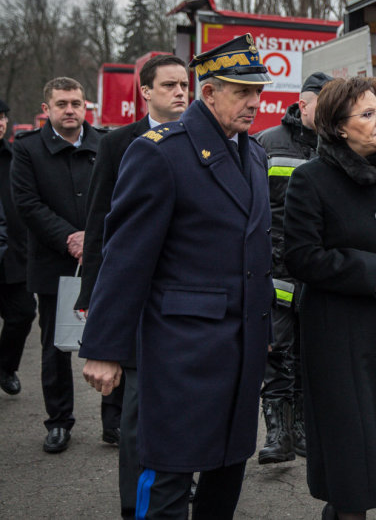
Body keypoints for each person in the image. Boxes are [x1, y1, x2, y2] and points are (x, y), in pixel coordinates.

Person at [78, 33, 274, 518]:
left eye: (258, 91)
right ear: (209, 93)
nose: (255, 102)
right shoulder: (160, 153)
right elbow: (126, 259)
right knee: (167, 474)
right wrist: (105, 349)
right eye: (241, 91)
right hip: (181, 353)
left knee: (227, 469)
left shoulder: (252, 154)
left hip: (240, 347)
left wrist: (265, 326)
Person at [283, 76, 376, 520]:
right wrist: (373, 270)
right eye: (367, 114)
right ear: (339, 127)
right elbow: (301, 257)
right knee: (350, 451)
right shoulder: (310, 179)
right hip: (337, 336)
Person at [75, 54, 189, 519]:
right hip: (137, 301)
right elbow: (102, 226)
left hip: (184, 303)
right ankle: (134, 504)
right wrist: (91, 297)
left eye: (185, 84)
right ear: (145, 92)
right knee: (138, 414)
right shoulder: (119, 143)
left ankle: (178, 487)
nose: (180, 93)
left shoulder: (204, 141)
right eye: (169, 85)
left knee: (184, 408)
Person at [9, 78, 104, 453]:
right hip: (53, 262)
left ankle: (113, 421)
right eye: (62, 103)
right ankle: (59, 421)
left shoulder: (105, 145)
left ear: (85, 107)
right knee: (55, 346)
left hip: (101, 259)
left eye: (76, 103)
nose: (70, 110)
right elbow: (27, 204)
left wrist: (93, 238)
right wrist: (69, 237)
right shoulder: (28, 149)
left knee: (115, 337)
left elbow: (119, 196)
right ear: (46, 108)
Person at [254, 71, 331, 465]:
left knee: (309, 353)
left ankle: (301, 427)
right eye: (323, 103)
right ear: (302, 104)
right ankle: (277, 433)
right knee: (276, 351)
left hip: (317, 272)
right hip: (275, 270)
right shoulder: (266, 144)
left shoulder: (336, 145)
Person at [0, 98, 38, 397]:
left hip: (13, 255)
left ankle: (5, 366)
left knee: (23, 313)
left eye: (3, 117)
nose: (1, 122)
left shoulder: (15, 158)